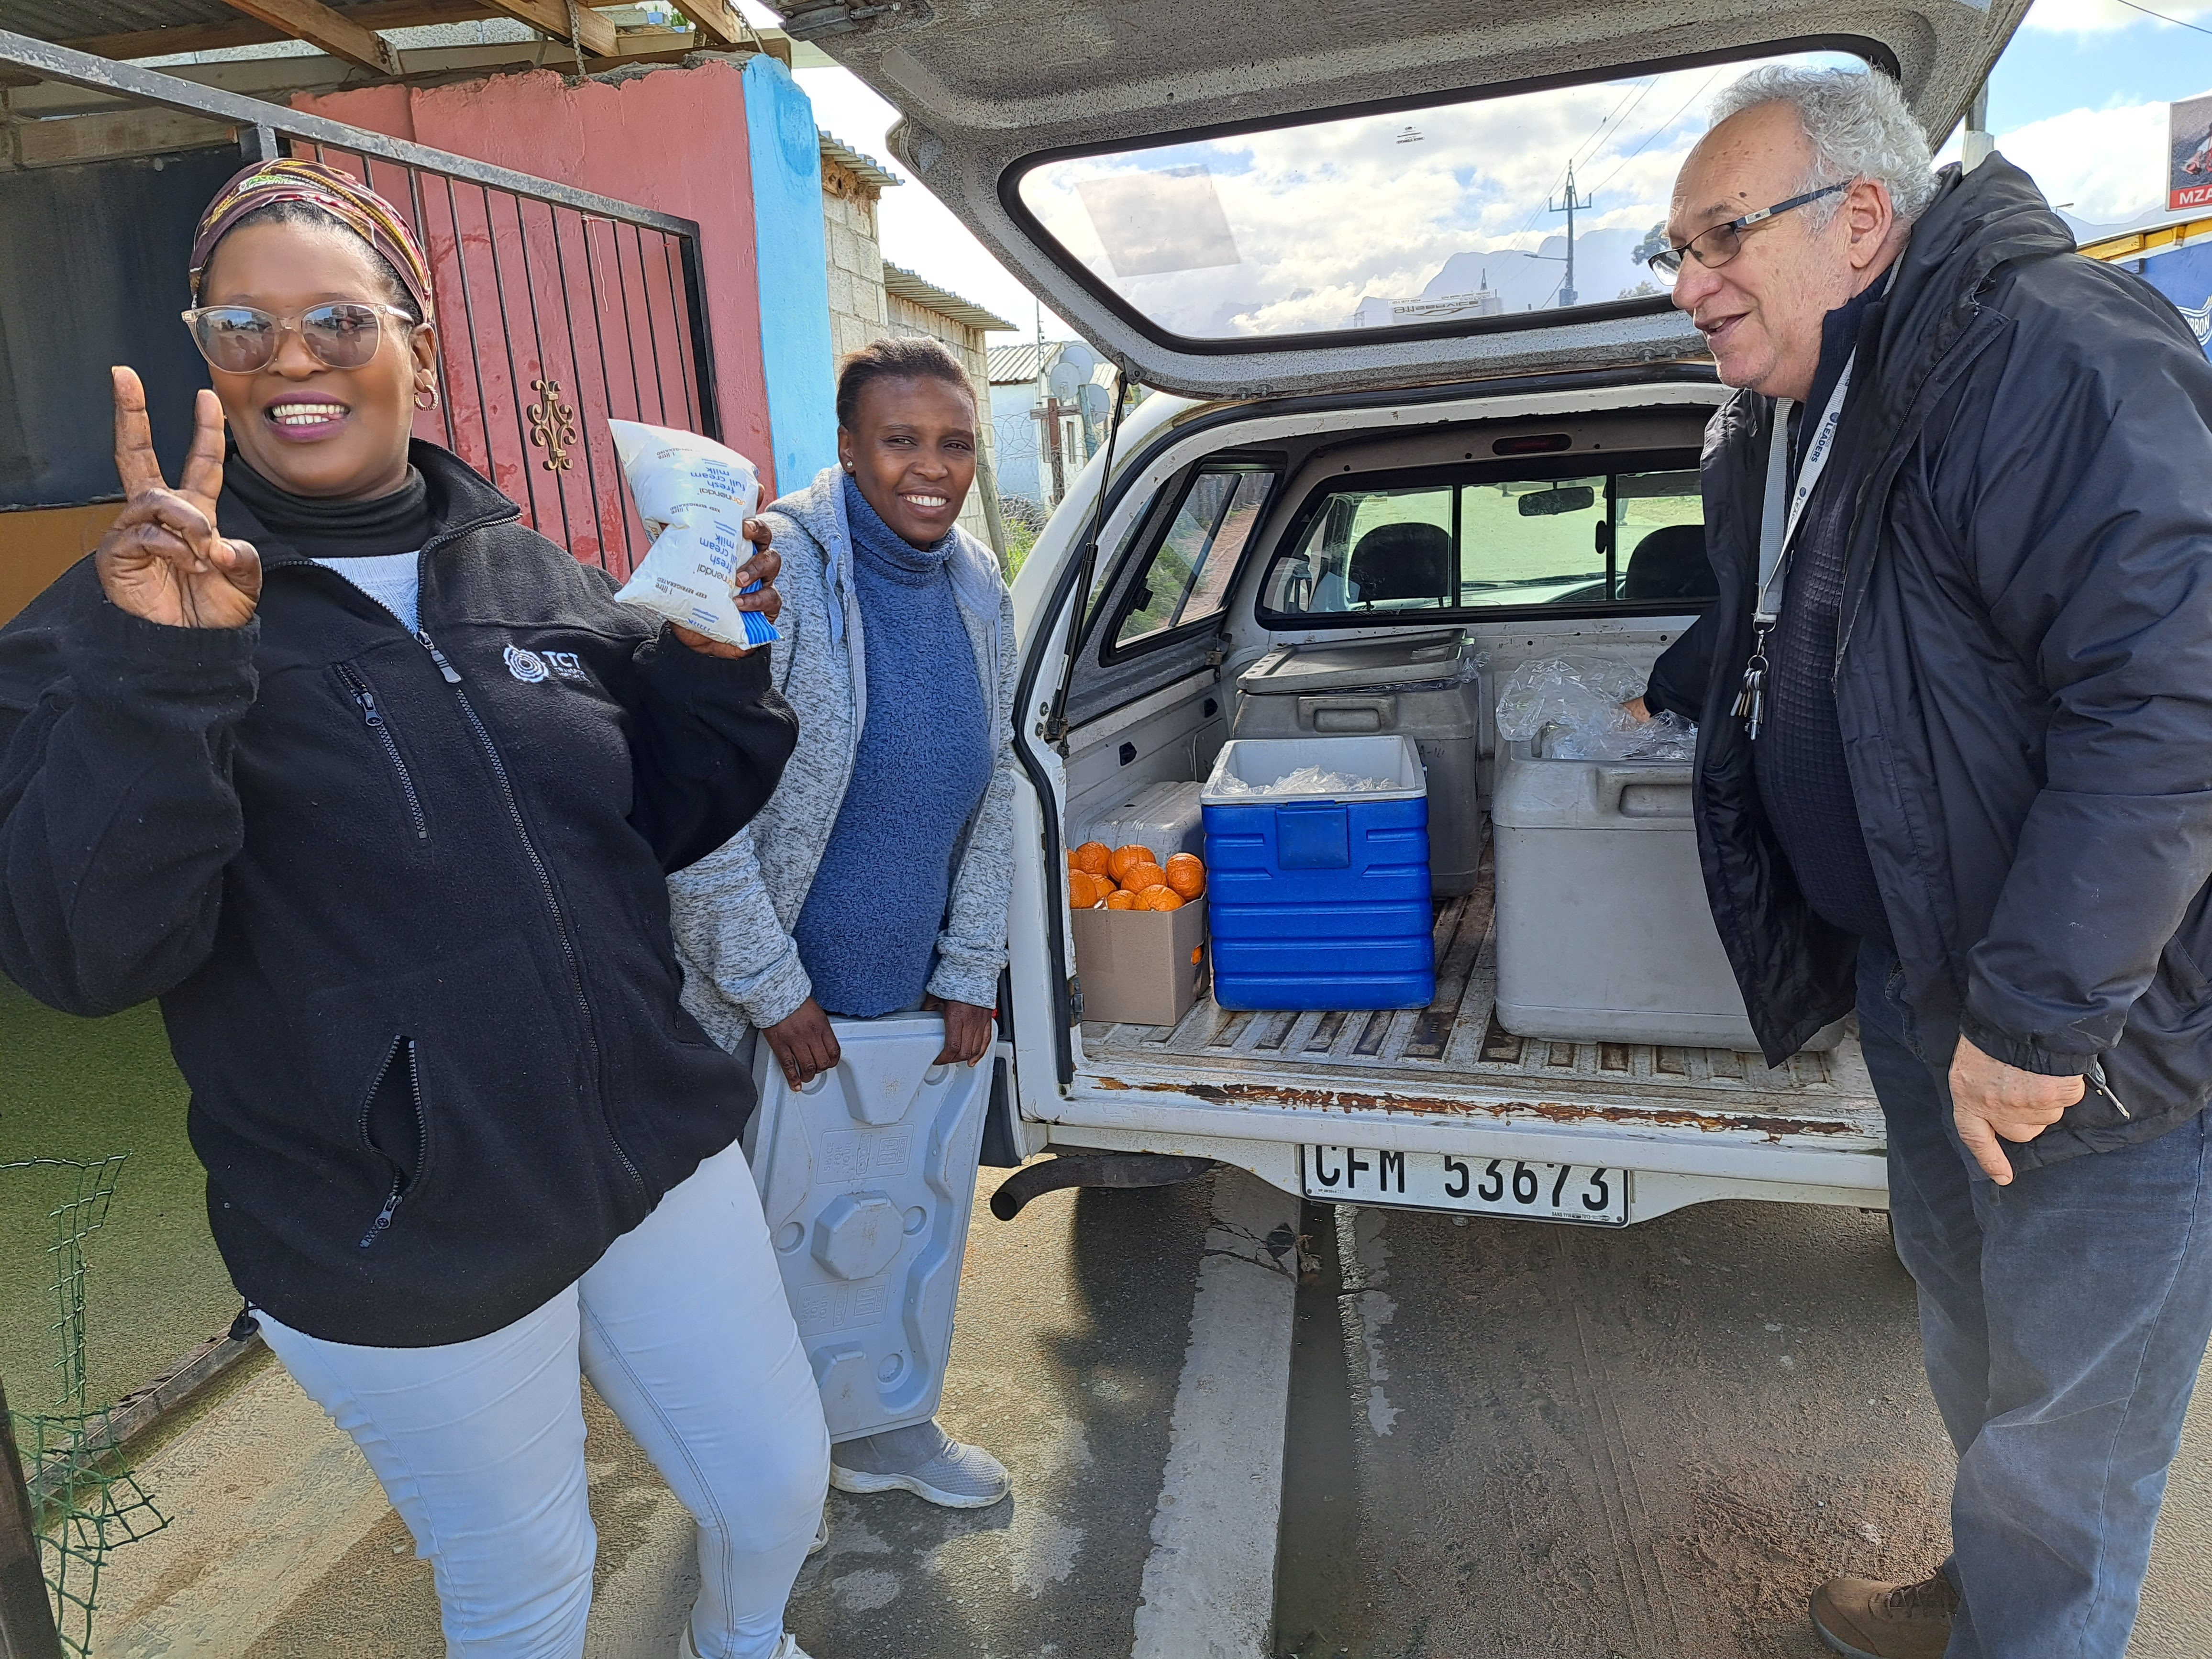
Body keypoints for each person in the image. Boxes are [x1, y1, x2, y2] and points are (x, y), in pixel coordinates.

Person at [0, 160, 830, 1659]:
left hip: (646, 1139)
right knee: (528, 1588)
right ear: (206, 358)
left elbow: (655, 819)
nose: (291, 357)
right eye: (242, 327)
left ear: (419, 348)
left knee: (776, 1484)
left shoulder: (530, 570)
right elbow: (85, 951)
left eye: (336, 317)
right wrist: (164, 677)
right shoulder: (111, 622)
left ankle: (746, 1642)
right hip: (394, 1218)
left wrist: (715, 663)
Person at [1637, 67, 2212, 1659]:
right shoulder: (1805, 399)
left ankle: (2030, 1621)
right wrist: (1694, 681)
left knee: (2071, 1428)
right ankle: (1987, 1591)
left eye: (1722, 235)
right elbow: (1821, 616)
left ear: (1862, 217)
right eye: (1675, 249)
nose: (1690, 283)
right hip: (1924, 978)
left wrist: (2035, 1021)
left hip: (2097, 1031)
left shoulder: (2047, 354)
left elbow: (2171, 698)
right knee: (1977, 1344)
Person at [667, 336, 1018, 1511]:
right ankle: (762, 1486)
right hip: (766, 1004)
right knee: (755, 1254)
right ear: (849, 449)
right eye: (899, 440)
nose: (931, 467)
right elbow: (700, 806)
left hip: (905, 997)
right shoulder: (770, 569)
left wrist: (969, 965)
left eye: (954, 443)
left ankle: (883, 1423)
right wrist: (774, 992)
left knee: (887, 1223)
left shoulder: (977, 584)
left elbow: (992, 786)